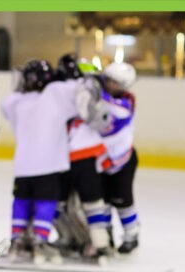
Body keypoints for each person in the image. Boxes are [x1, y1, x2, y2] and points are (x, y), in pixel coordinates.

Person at [1, 59, 91, 265]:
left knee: (21, 201)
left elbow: (5, 108)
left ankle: (17, 240)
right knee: (46, 201)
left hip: (23, 164)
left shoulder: (14, 101)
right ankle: (40, 241)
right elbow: (81, 88)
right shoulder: (56, 92)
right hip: (49, 163)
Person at [54, 54, 110, 258]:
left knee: (61, 203)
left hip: (65, 156)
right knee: (91, 202)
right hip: (82, 154)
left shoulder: (55, 89)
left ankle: (71, 239)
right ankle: (98, 242)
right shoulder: (89, 85)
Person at [96, 62, 140, 254]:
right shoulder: (101, 95)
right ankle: (106, 236)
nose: (110, 85)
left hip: (122, 161)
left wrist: (92, 87)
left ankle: (132, 235)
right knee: (103, 202)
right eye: (109, 80)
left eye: (116, 83)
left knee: (122, 201)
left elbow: (111, 106)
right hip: (101, 159)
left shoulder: (126, 102)